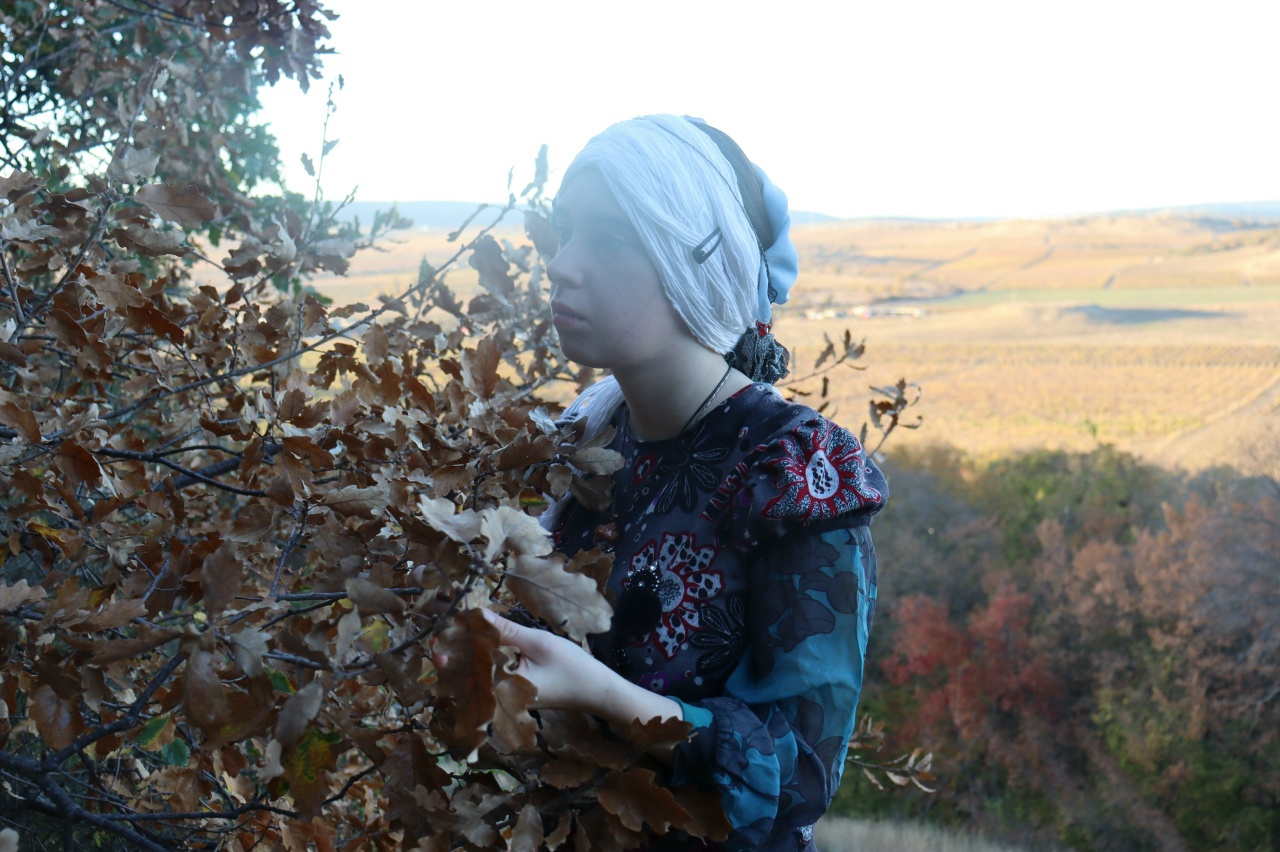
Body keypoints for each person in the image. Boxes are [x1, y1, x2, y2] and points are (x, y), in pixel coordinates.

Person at [485, 114, 888, 851]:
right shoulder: (585, 437)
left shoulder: (792, 471)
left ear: (696, 260)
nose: (563, 265)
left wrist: (608, 698)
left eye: (609, 239)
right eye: (566, 232)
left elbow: (797, 777)